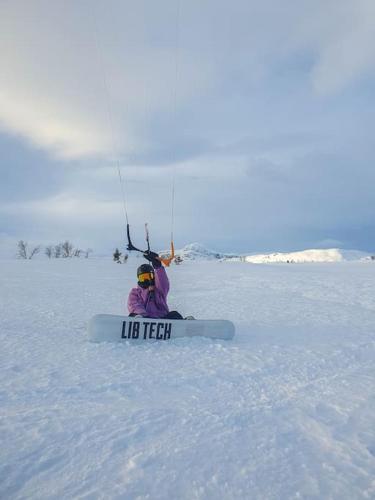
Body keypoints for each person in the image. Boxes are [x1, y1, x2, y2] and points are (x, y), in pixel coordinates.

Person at [128, 251, 192, 320]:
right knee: (133, 315)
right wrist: (141, 315)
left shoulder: (158, 289)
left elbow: (163, 283)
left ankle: (185, 324)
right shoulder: (135, 292)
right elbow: (133, 305)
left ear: (154, 276)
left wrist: (158, 267)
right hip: (144, 318)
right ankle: (137, 322)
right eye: (143, 278)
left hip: (163, 320)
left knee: (174, 314)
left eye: (148, 276)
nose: (146, 280)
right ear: (139, 279)